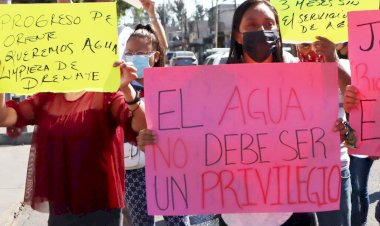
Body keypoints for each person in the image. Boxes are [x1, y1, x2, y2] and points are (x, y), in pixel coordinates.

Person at [138, 1, 350, 226]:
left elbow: (343, 111)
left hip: (293, 212)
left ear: (279, 32)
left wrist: (339, 131)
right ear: (238, 36)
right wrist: (153, 141)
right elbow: (179, 128)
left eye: (269, 24)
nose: (262, 31)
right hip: (236, 214)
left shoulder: (298, 75)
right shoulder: (213, 83)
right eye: (252, 25)